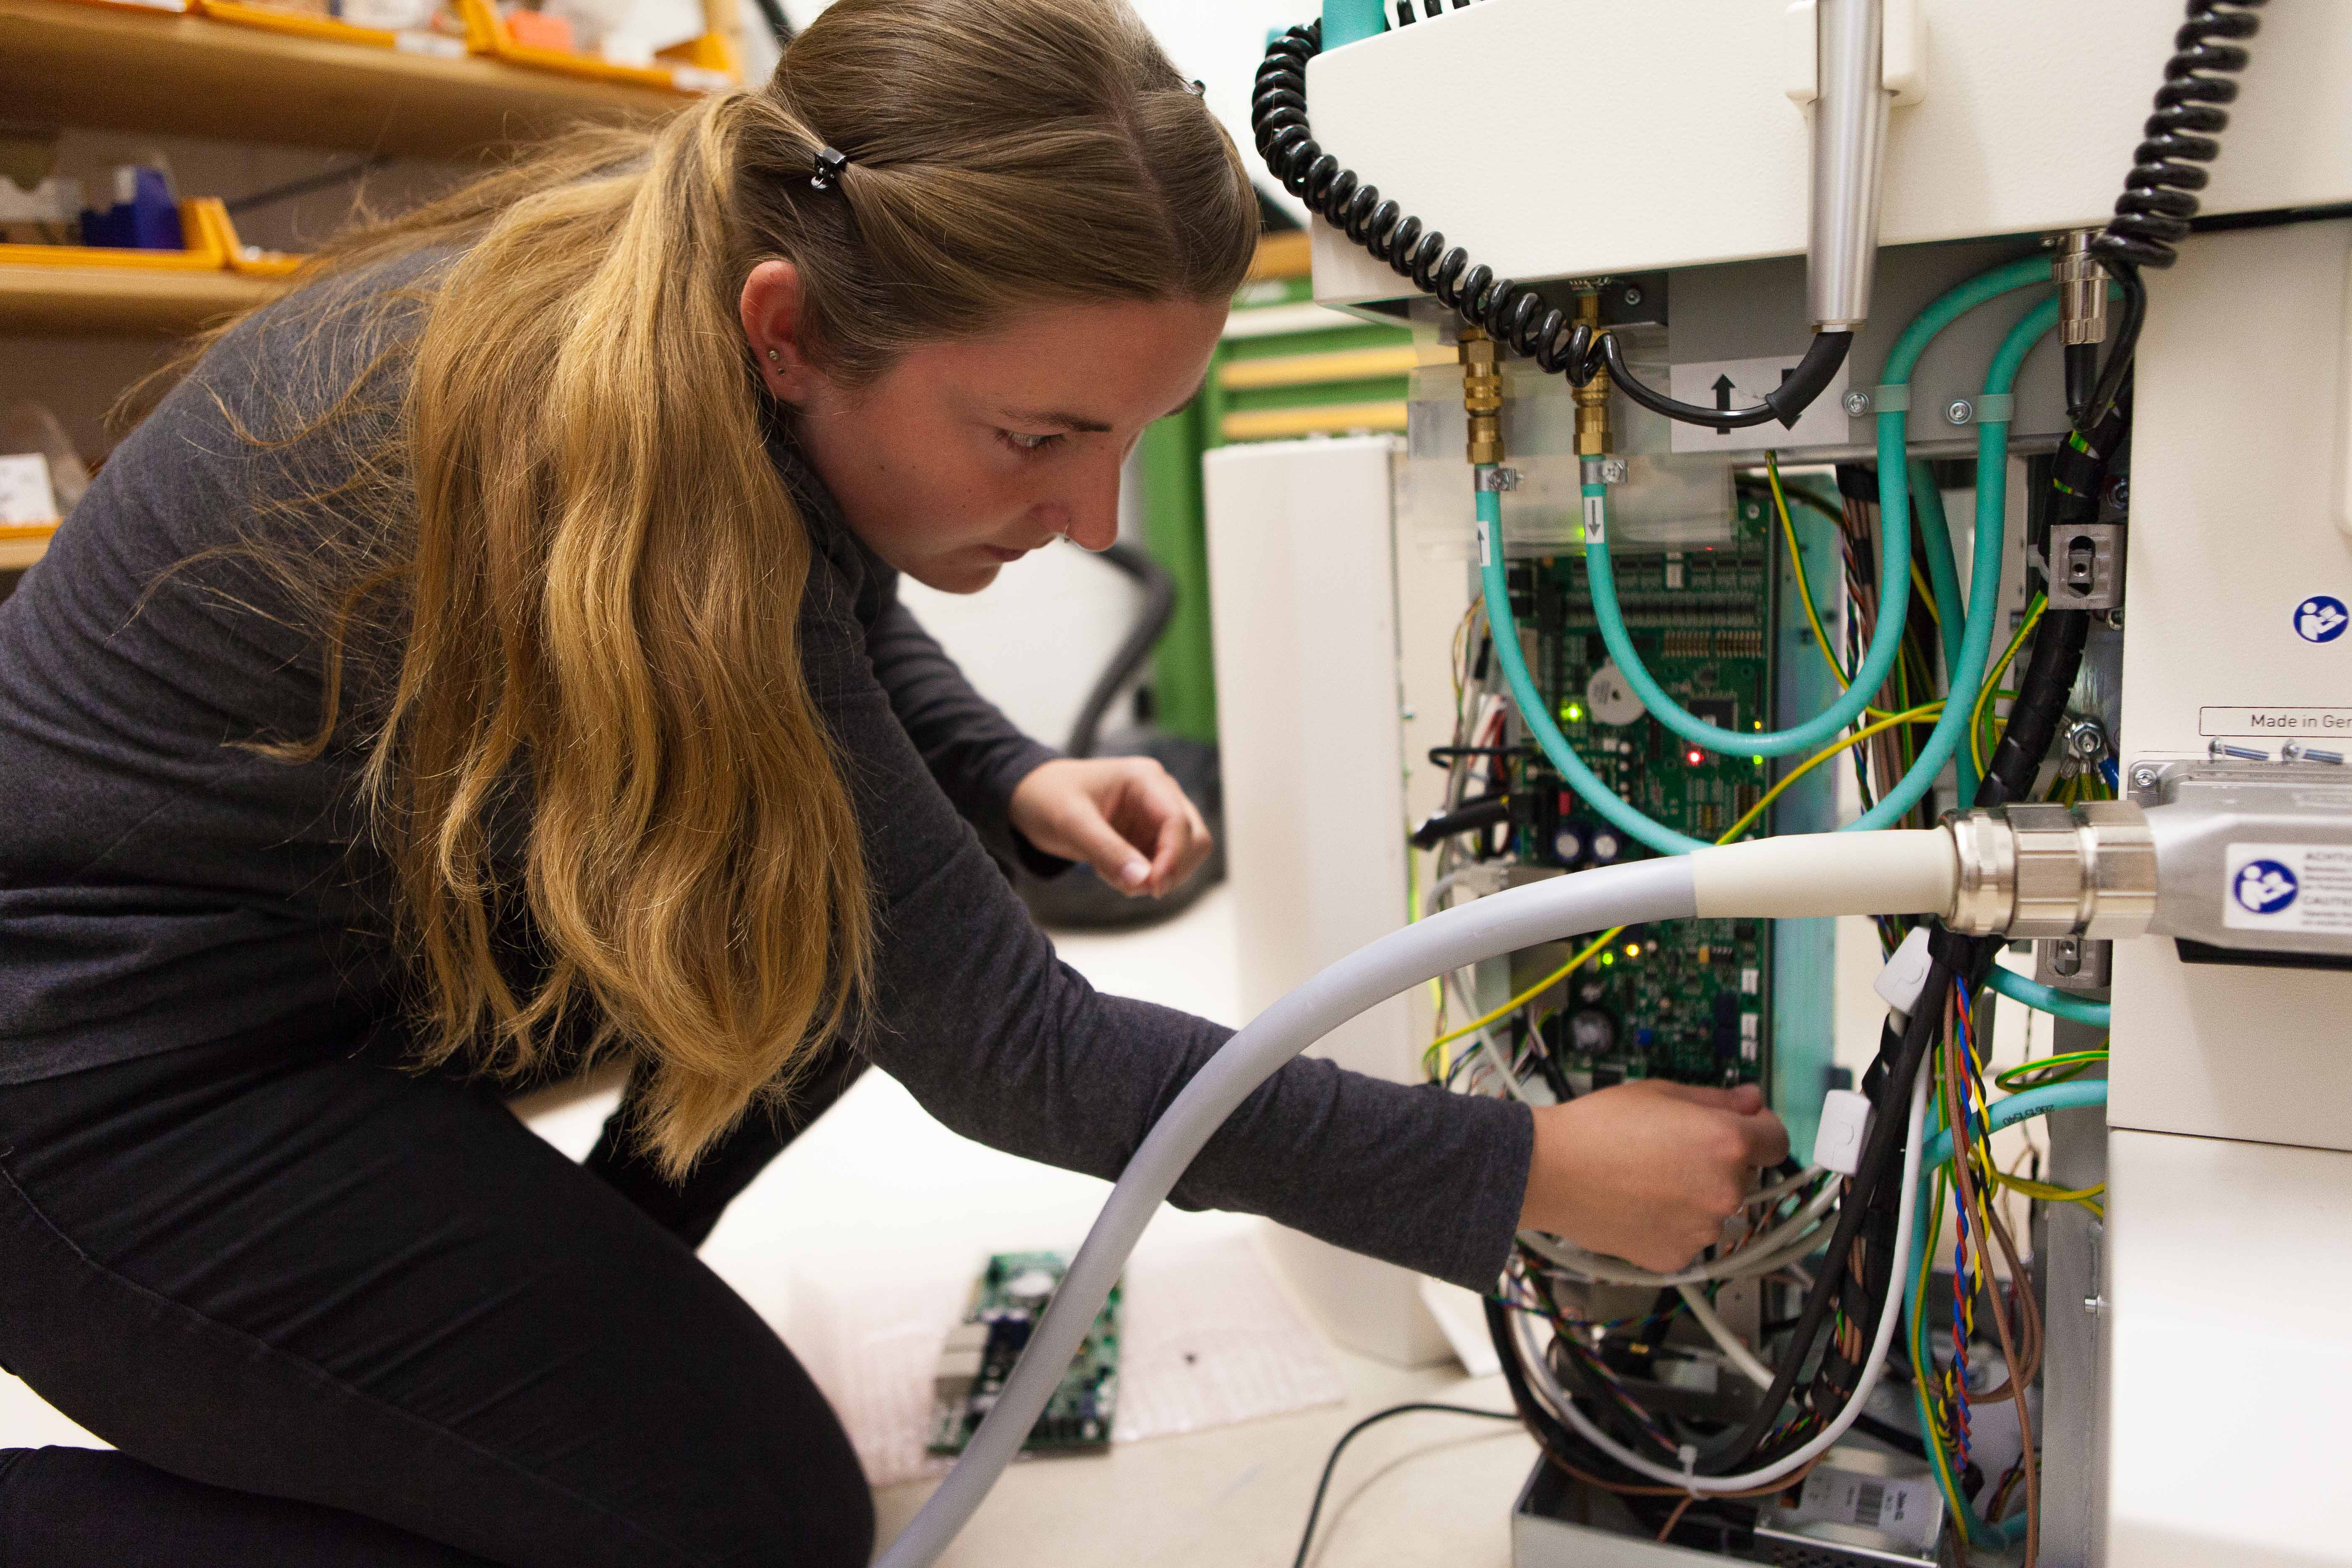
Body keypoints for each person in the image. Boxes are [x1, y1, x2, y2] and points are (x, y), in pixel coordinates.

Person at [0, 0, 1788, 1561]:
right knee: (750, 1524)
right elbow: (1023, 1053)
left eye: (1128, 438)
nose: (1091, 514)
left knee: (847, 913)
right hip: (87, 1090)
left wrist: (1004, 777)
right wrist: (1521, 1167)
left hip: (309, 974)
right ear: (791, 331)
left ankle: (567, 1307)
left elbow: (811, 606)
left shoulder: (703, 317)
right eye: (1038, 437)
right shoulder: (561, 441)